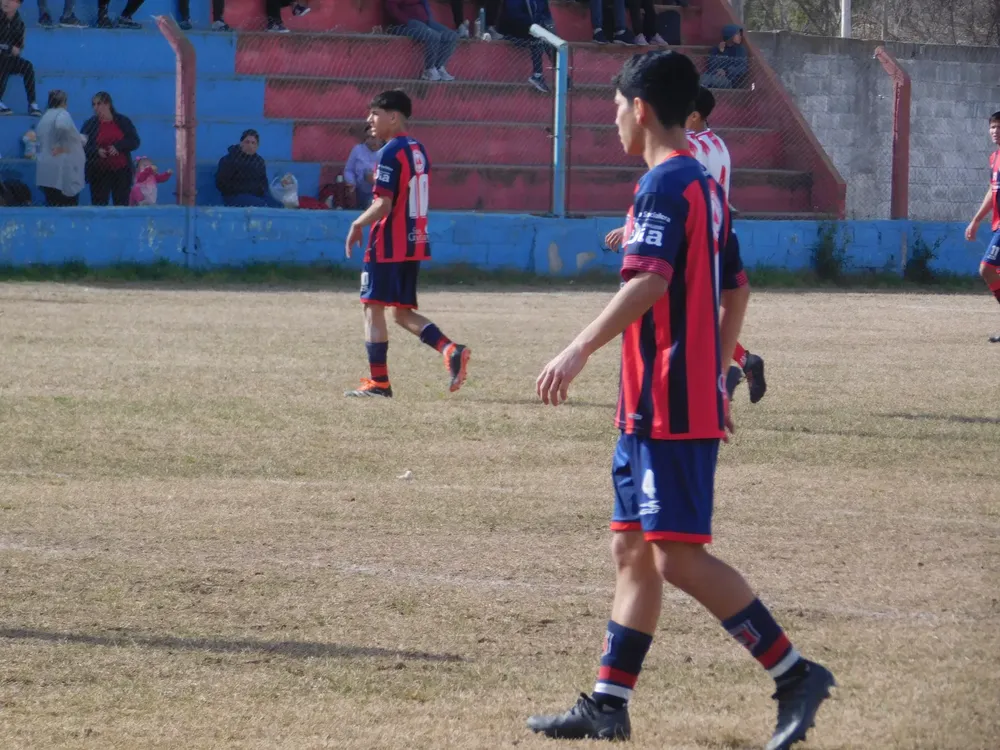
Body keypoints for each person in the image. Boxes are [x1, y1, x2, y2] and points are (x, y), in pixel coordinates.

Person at [528, 50, 834, 750]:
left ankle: (794, 673)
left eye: (612, 108)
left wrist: (577, 349)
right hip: (651, 399)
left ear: (639, 109)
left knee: (677, 555)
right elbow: (737, 287)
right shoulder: (701, 185)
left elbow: (650, 282)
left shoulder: (666, 186)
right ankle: (608, 703)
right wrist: (720, 369)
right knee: (632, 550)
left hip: (669, 399)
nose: (611, 121)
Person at [343, 89, 470, 398]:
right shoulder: (418, 149)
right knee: (401, 313)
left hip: (388, 243)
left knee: (372, 308)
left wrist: (357, 223)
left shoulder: (388, 152)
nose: (369, 120)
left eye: (374, 113)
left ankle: (379, 384)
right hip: (414, 241)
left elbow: (384, 204)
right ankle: (450, 349)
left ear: (393, 116)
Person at [687, 86, 766, 403]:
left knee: (691, 314)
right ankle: (743, 363)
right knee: (702, 313)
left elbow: (688, 191)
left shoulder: (689, 146)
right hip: (722, 232)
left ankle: (725, 375)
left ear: (693, 115)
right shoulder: (719, 143)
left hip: (700, 237)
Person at [964, 109, 1000, 343]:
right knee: (989, 271)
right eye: (992, 127)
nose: (994, 131)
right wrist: (976, 219)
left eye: (998, 127)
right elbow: (992, 190)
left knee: (986, 269)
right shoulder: (994, 158)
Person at [81, 91, 140, 206]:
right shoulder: (90, 124)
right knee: (99, 205)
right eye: (94, 105)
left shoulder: (122, 121)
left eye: (99, 104)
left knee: (121, 204)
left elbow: (135, 141)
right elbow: (82, 145)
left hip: (121, 172)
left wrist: (118, 146)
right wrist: (96, 151)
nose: (96, 107)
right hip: (99, 172)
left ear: (108, 104)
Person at [384, 0, 458, 81]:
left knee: (452, 36)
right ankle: (429, 70)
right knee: (432, 36)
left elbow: (425, 4)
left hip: (425, 22)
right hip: (404, 25)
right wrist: (407, 21)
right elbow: (392, 8)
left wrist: (428, 18)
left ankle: (439, 67)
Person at [35, 89, 85, 207]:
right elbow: (62, 126)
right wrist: (62, 146)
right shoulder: (62, 113)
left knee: (52, 204)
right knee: (68, 206)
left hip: (47, 169)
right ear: (63, 102)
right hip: (62, 172)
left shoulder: (45, 116)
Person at [497, 0, 557, 92]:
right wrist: (534, 27)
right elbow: (514, 16)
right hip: (515, 31)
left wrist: (549, 29)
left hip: (533, 30)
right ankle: (537, 75)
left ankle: (562, 75)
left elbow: (546, 15)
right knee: (539, 40)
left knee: (551, 41)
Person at [215, 129, 281, 207]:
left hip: (256, 195)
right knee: (261, 205)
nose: (250, 145)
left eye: (253, 143)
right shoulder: (229, 159)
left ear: (257, 146)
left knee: (279, 206)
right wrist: (246, 189)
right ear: (241, 143)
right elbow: (221, 183)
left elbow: (264, 183)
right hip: (234, 196)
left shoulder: (259, 161)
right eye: (247, 142)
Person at [0, 0, 40, 117]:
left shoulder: (19, 23)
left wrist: (7, 49)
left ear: (18, 4)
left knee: (27, 66)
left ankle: (32, 104)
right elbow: (12, 48)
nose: (5, 2)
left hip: (6, 58)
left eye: (11, 0)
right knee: (4, 62)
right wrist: (8, 47)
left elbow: (18, 48)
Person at [344, 124, 380, 210]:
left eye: (376, 138)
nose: (374, 141)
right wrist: (351, 182)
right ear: (366, 139)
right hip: (359, 189)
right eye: (371, 138)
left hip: (377, 191)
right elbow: (348, 170)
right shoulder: (358, 150)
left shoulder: (384, 152)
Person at [703, 24, 749, 89]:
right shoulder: (716, 49)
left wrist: (726, 71)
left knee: (713, 81)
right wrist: (720, 52)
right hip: (714, 76)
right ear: (730, 36)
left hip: (730, 80)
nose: (740, 36)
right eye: (737, 34)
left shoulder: (740, 50)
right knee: (702, 78)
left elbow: (742, 68)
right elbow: (711, 66)